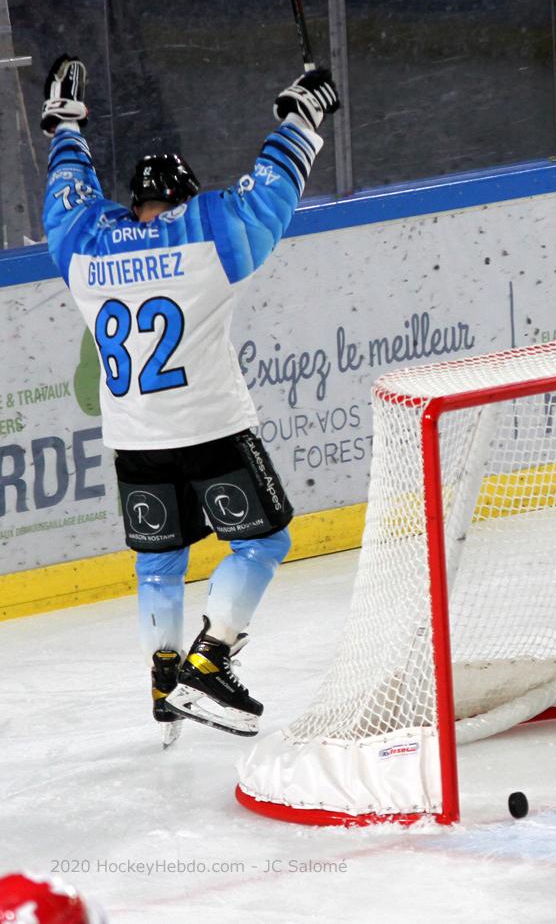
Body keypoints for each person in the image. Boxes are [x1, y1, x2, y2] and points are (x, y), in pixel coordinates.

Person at [40, 53, 340, 744]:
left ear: (134, 205)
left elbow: (66, 194)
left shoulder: (85, 248)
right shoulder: (204, 233)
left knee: (159, 561)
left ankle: (164, 680)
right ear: (183, 197)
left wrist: (66, 127)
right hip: (210, 429)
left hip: (134, 441)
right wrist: (301, 116)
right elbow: (269, 193)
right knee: (263, 541)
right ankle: (209, 661)